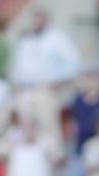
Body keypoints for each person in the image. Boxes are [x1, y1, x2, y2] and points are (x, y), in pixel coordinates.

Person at [9, 10, 80, 149]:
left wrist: (59, 82)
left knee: (48, 127)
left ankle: (54, 157)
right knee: (25, 128)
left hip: (46, 89)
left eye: (40, 20)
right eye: (35, 20)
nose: (37, 23)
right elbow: (17, 66)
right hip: (25, 89)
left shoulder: (58, 38)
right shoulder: (26, 40)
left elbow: (72, 63)